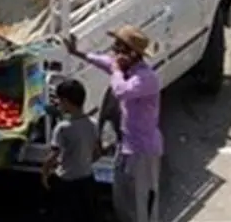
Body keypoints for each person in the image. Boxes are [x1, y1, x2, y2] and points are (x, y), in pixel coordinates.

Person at [66, 26, 163, 222]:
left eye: (119, 48)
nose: (114, 52)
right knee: (122, 198)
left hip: (142, 150)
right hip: (126, 146)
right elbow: (104, 62)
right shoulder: (124, 69)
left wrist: (117, 70)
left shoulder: (146, 78)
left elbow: (121, 91)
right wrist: (78, 53)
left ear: (132, 54)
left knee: (139, 201)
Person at [42, 78, 99, 222]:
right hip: (87, 179)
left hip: (67, 181)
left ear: (66, 102)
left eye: (59, 100)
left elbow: (53, 156)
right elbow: (97, 152)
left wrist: (44, 174)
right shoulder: (93, 123)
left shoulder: (62, 128)